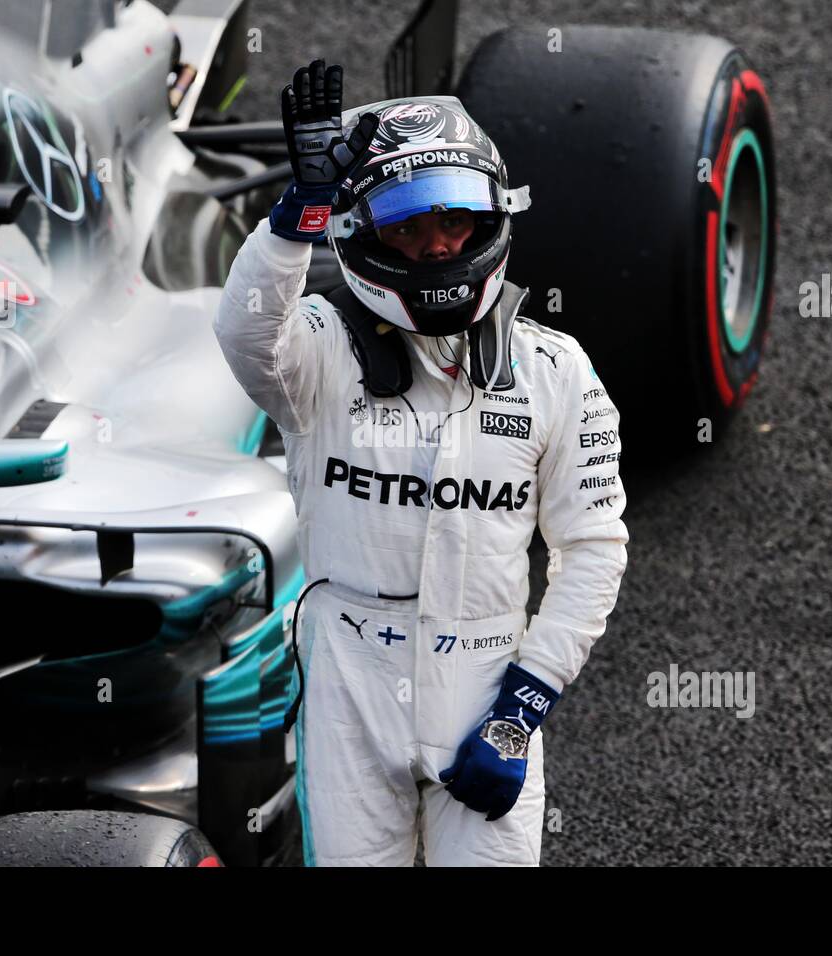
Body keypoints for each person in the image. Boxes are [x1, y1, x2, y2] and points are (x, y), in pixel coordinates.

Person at [214, 59, 627, 866]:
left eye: (453, 221)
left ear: (493, 220)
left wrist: (522, 708)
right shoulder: (317, 356)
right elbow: (244, 333)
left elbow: (593, 550)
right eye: (407, 227)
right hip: (346, 682)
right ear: (363, 236)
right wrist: (297, 211)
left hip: (485, 685)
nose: (437, 245)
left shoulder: (557, 371)